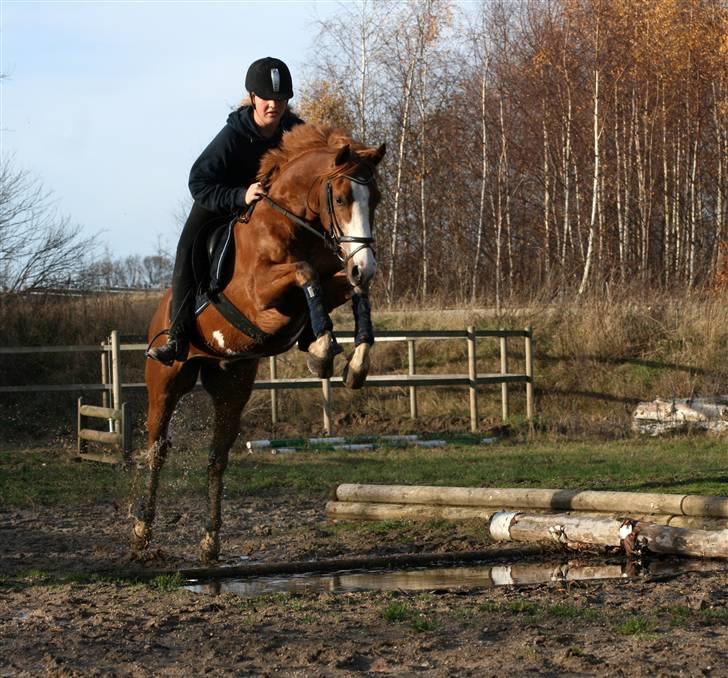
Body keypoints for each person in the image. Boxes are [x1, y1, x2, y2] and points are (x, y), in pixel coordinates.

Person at [147, 57, 304, 365]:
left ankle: (313, 330)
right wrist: (238, 195)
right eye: (268, 99)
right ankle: (177, 337)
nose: (274, 105)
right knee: (186, 248)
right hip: (218, 202)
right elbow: (198, 181)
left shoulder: (294, 131)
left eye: (281, 99)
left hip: (266, 213)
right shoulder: (231, 136)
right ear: (254, 98)